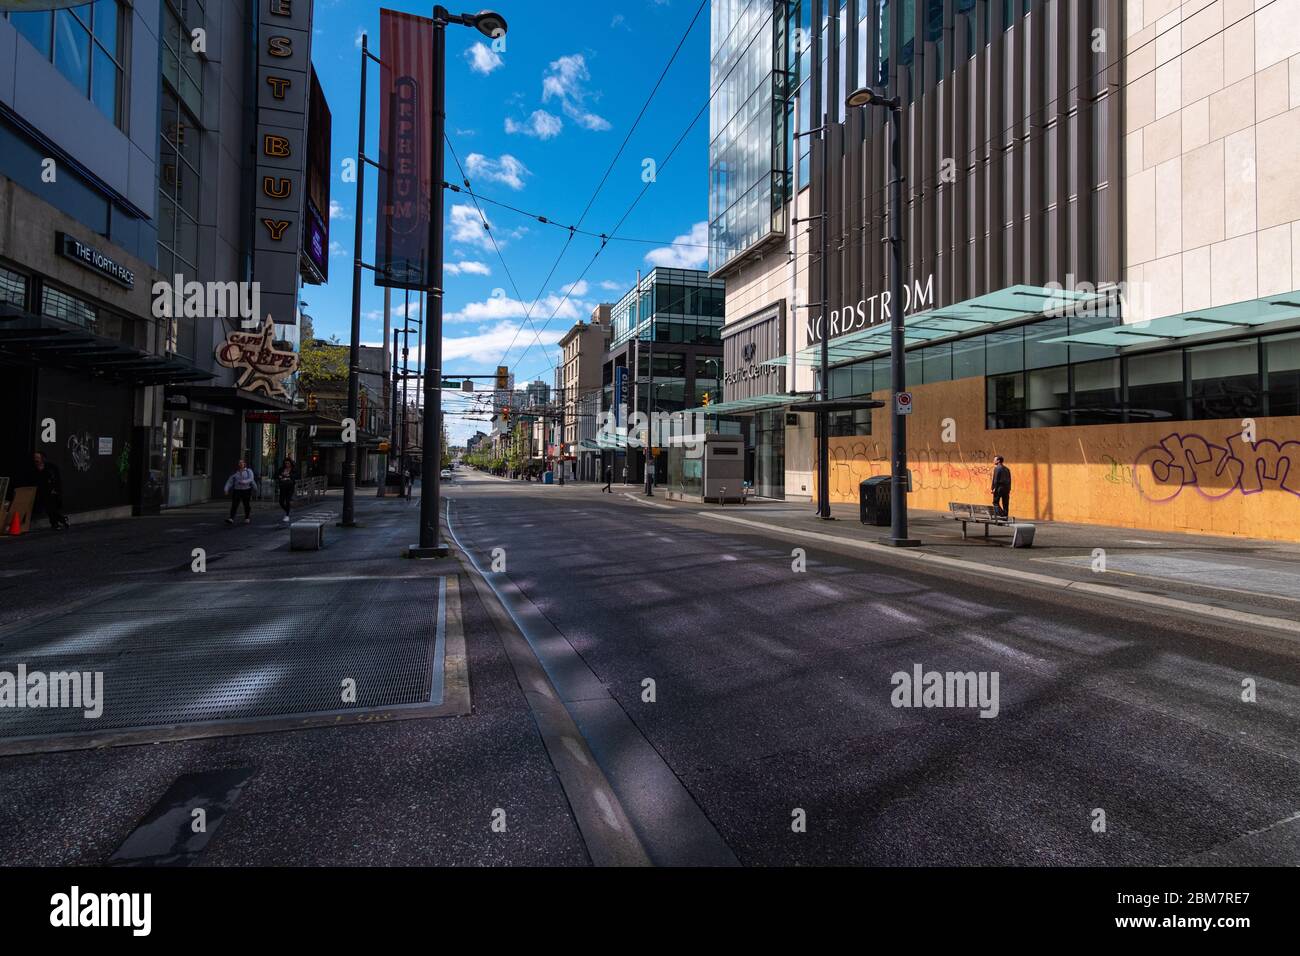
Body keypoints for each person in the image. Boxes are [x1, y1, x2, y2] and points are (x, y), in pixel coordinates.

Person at [32, 452, 69, 530]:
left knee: (51, 508)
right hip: (42, 491)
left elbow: (57, 479)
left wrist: (56, 489)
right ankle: (61, 519)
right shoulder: (34, 468)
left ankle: (55, 524)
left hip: (52, 490)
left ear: (42, 458)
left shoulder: (51, 467)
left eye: (38, 457)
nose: (36, 459)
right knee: (48, 509)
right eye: (35, 457)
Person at [224, 458, 258, 525]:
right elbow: (229, 481)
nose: (240, 464)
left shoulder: (249, 471)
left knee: (246, 504)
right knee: (234, 504)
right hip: (237, 490)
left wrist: (253, 487)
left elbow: (251, 479)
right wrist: (226, 489)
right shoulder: (235, 472)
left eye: (242, 463)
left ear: (245, 464)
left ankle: (247, 518)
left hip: (246, 490)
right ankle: (231, 518)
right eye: (239, 463)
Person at [276, 457, 296, 523]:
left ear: (290, 464)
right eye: (286, 463)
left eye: (288, 463)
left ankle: (287, 515)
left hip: (290, 487)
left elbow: (294, 477)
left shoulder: (293, 469)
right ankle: (287, 510)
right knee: (281, 501)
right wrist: (280, 476)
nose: (287, 464)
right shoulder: (281, 469)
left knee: (287, 501)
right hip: (283, 487)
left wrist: (287, 477)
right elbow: (276, 475)